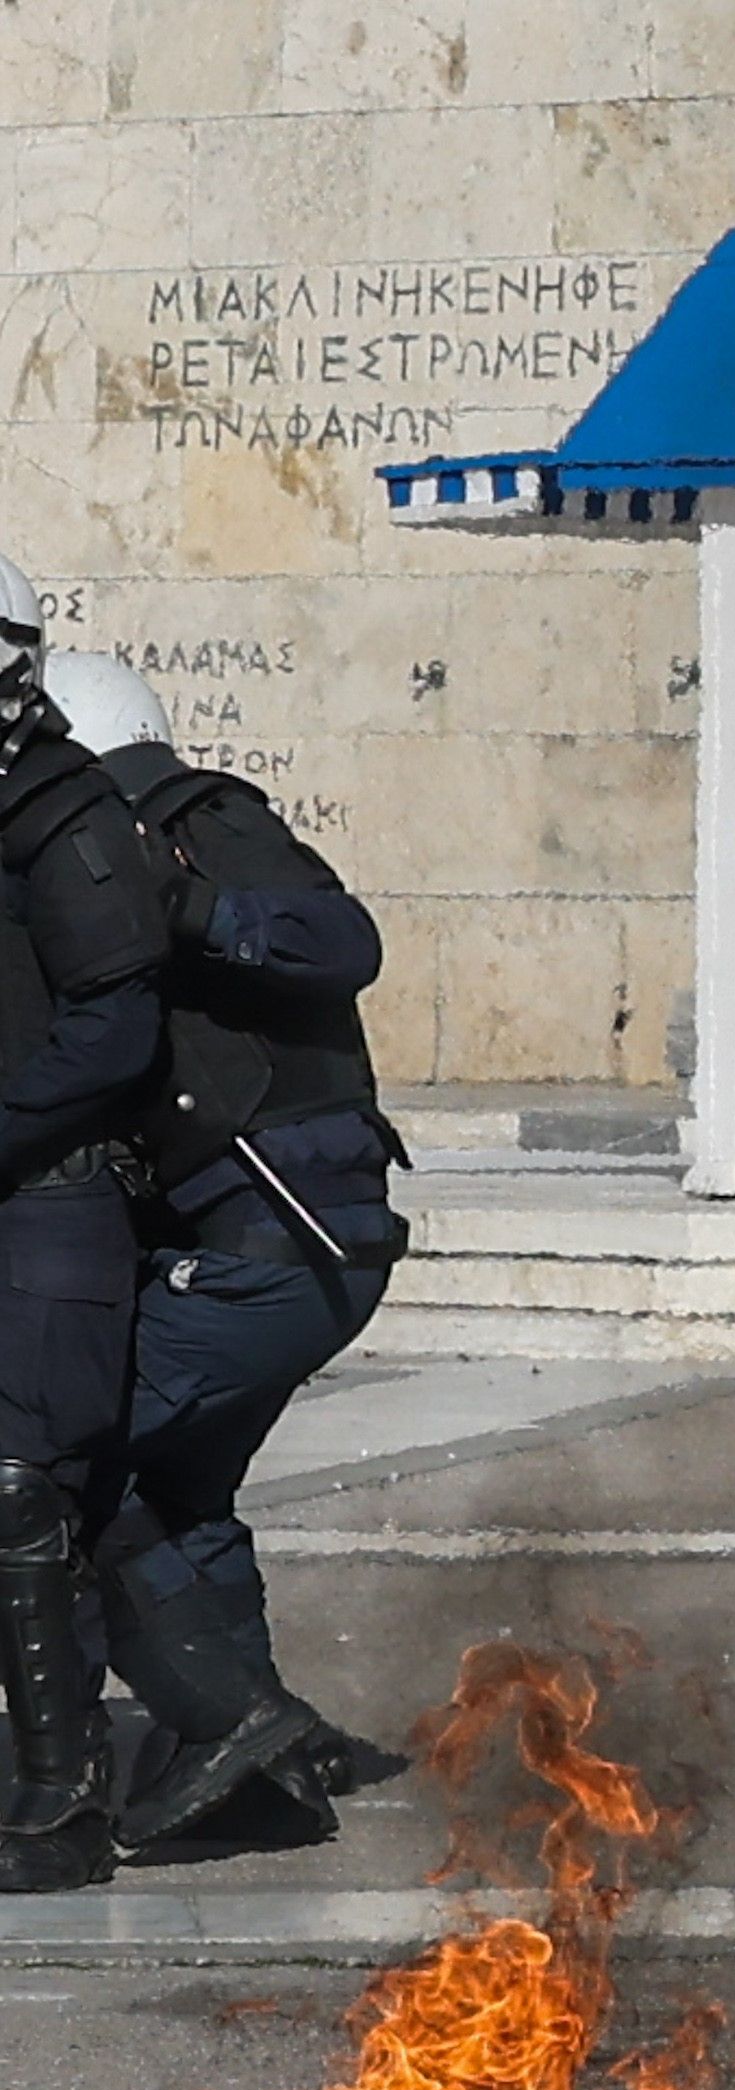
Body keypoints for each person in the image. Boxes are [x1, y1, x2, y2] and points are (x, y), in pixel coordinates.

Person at [31, 651, 409, 1854]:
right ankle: (275, 1746)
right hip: (279, 1240)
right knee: (181, 1488)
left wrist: (182, 906)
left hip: (279, 1234)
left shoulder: (185, 822)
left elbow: (341, 940)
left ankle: (226, 1718)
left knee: (64, 1466)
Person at [0, 561, 182, 1891]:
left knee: (23, 1493)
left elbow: (112, 1024)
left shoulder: (64, 813)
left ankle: (61, 1806)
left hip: (53, 1202)